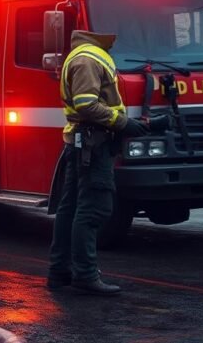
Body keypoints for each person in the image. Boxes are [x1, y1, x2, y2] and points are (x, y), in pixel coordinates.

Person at [47, 30, 151, 296]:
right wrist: (123, 123)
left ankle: (61, 271)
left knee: (69, 209)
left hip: (86, 142)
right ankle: (84, 274)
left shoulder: (87, 55)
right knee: (94, 208)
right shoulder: (88, 59)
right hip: (94, 145)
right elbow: (86, 104)